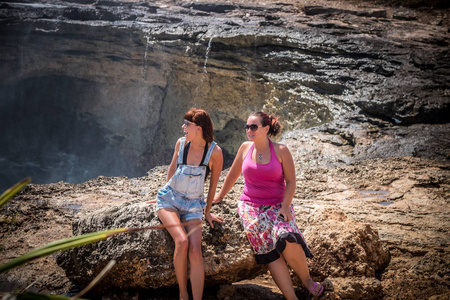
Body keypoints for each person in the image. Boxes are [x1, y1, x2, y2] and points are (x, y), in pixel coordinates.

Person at [213, 111, 324, 299]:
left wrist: (286, 206)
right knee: (268, 248)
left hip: (278, 205)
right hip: (250, 207)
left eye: (253, 127)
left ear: (266, 129)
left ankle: (306, 281)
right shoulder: (244, 148)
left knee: (286, 237)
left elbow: (291, 182)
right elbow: (232, 175)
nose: (249, 130)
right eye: (247, 126)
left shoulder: (281, 151)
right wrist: (219, 197)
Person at [149, 108, 224, 300]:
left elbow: (213, 185)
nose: (183, 127)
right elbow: (172, 170)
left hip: (193, 205)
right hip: (169, 200)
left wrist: (207, 211)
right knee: (181, 242)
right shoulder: (181, 143)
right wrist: (162, 194)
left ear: (198, 128)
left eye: (187, 124)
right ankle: (183, 294)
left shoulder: (214, 151)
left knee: (196, 251)